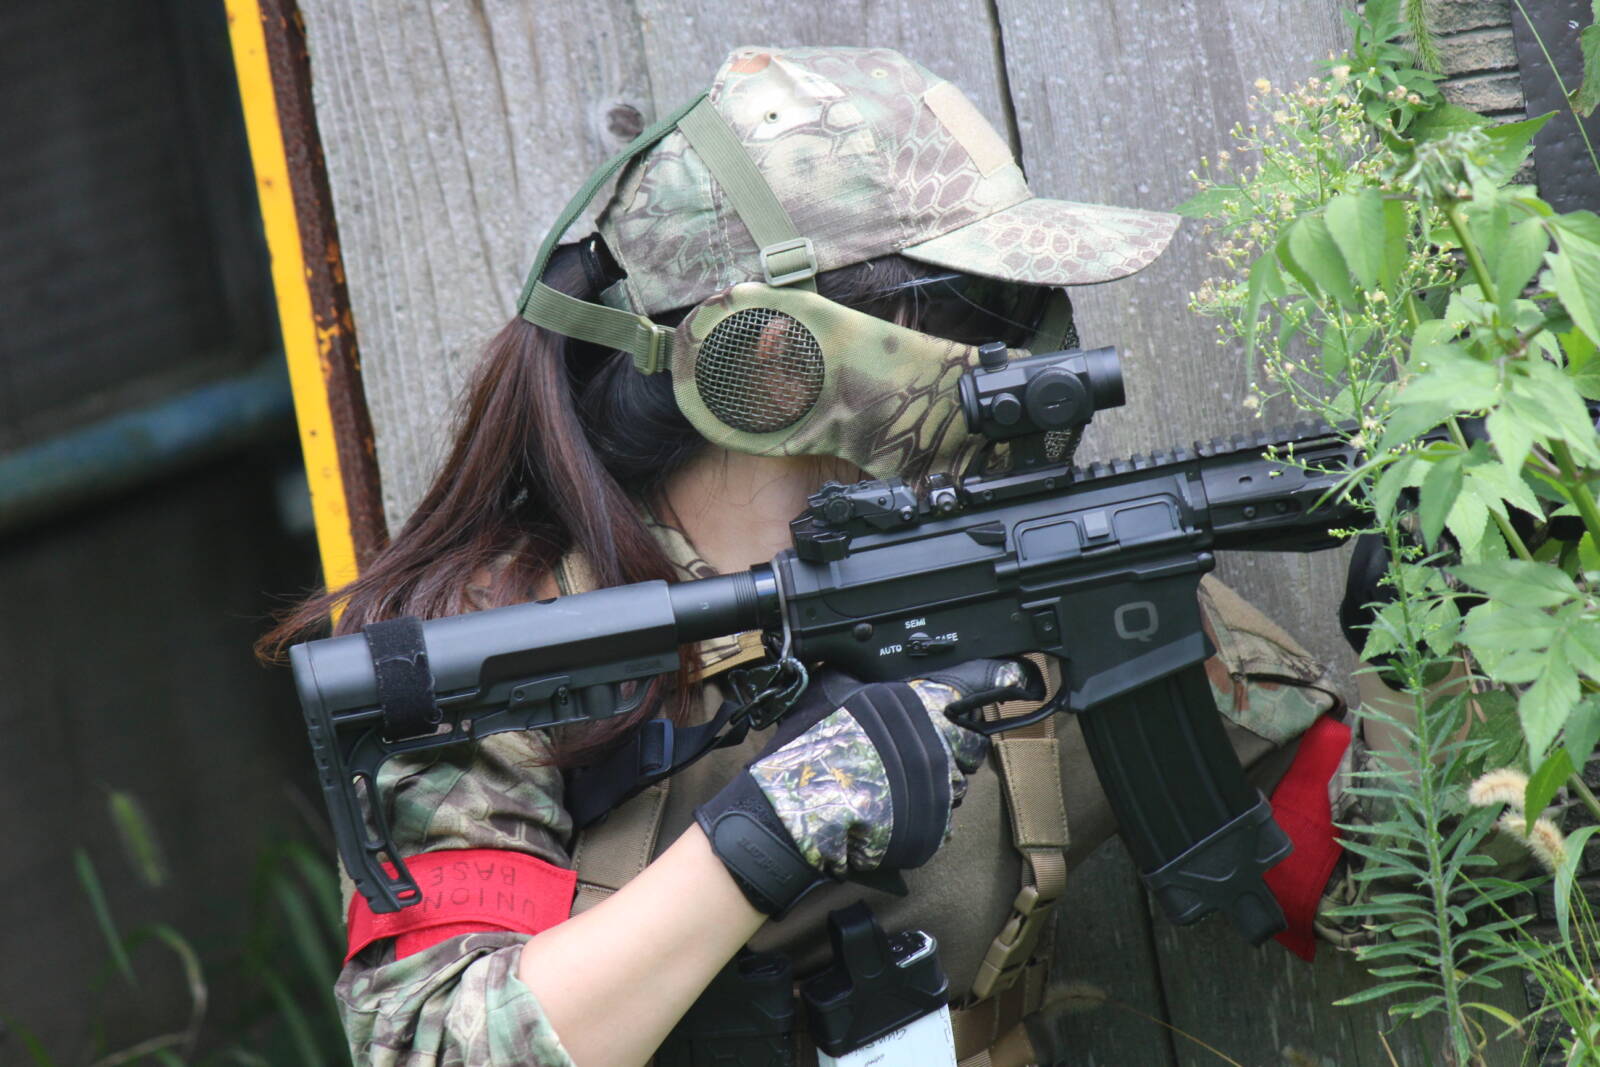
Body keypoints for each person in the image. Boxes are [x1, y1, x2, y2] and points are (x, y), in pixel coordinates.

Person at [268, 46, 1346, 1067]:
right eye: (984, 306)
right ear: (779, 358)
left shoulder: (1040, 572)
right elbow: (433, 1044)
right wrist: (762, 835)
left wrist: (1439, 626)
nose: (1025, 343)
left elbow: (1384, 882)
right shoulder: (508, 649)